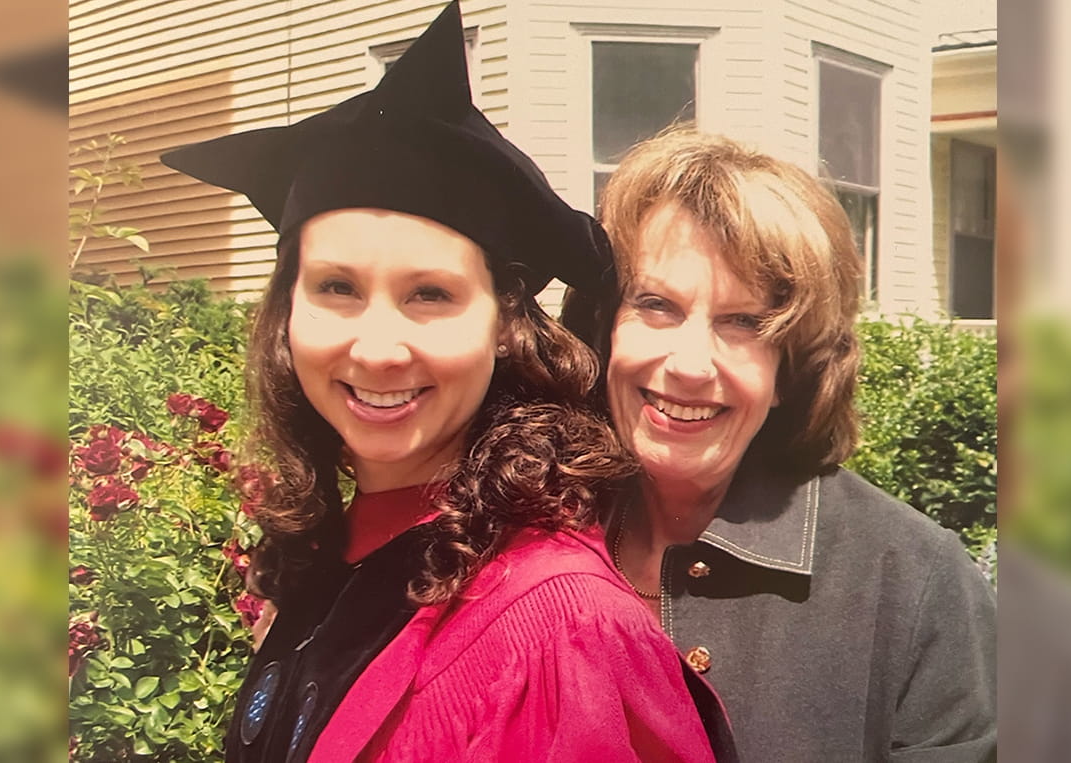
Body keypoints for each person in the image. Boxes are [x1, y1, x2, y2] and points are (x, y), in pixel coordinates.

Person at [162, 5, 730, 761]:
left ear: (503, 322)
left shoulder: (559, 629)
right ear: (286, 309)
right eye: (336, 286)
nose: (377, 346)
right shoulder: (336, 546)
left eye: (430, 293)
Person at [564, 127, 996, 761]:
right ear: (604, 329)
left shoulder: (916, 587)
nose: (689, 364)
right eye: (656, 304)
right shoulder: (528, 527)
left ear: (792, 368)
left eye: (745, 322)